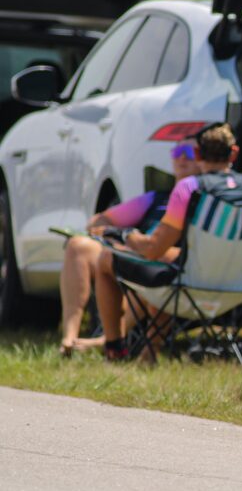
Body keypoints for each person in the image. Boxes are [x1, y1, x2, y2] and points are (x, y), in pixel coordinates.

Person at [96, 123, 242, 361]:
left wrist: (126, 236)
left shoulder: (189, 189)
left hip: (187, 288)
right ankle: (149, 352)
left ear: (198, 154)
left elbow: (154, 249)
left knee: (106, 259)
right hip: (238, 293)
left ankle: (115, 348)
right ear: (234, 153)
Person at [57, 140, 200, 356]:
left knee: (156, 265)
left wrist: (143, 246)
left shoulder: (203, 200)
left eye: (190, 151)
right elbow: (99, 221)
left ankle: (110, 342)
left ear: (206, 158)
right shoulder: (158, 198)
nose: (182, 157)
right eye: (178, 151)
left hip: (164, 261)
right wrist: (119, 238)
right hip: (138, 252)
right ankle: (70, 338)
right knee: (79, 246)